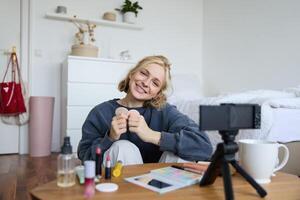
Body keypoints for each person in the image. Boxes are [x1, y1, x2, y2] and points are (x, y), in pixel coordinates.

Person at [77, 55, 212, 166]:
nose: (146, 83)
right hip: (122, 188)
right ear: (132, 74)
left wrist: (152, 135)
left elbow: (204, 146)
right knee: (123, 147)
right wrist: (110, 138)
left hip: (159, 185)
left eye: (155, 83)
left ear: (157, 93)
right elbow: (85, 158)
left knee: (178, 153)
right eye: (143, 73)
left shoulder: (164, 111)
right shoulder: (100, 112)